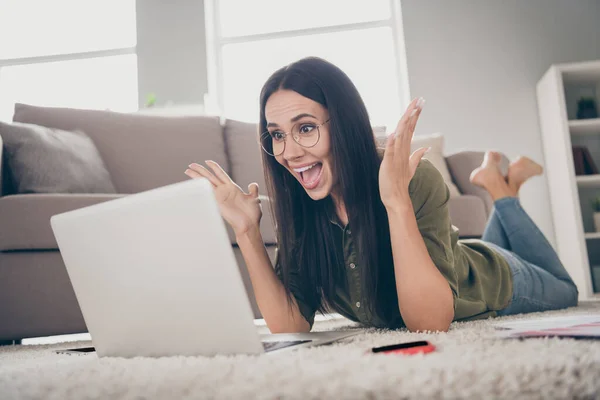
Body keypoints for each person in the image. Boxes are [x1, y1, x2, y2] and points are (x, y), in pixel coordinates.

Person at [184, 57, 578, 333]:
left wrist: (395, 202)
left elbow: (429, 322)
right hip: (457, 256)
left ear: (344, 123)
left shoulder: (409, 177)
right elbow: (290, 324)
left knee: (567, 289)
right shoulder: (300, 203)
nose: (288, 151)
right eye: (277, 134)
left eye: (304, 128)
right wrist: (248, 233)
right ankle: (498, 184)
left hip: (497, 281)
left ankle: (502, 193)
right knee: (461, 252)